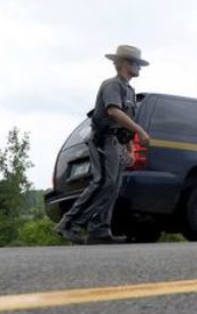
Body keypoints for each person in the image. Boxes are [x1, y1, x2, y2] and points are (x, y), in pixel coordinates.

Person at [54, 45, 152, 244]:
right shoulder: (112, 85)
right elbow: (114, 112)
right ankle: (69, 223)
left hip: (117, 142)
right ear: (125, 63)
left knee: (113, 186)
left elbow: (125, 122)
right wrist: (140, 131)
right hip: (103, 139)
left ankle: (99, 230)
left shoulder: (130, 91)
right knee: (103, 182)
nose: (139, 68)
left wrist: (130, 148)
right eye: (136, 64)